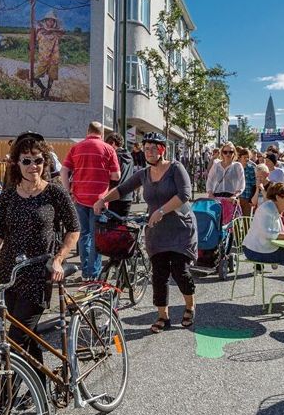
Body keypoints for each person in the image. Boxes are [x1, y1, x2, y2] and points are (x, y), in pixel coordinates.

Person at [0, 132, 79, 383]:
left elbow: (74, 229)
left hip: (39, 274)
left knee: (15, 338)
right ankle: (40, 387)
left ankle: (2, 405)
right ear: (17, 163)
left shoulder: (55, 193)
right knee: (27, 335)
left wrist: (59, 258)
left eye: (38, 160)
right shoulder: (8, 196)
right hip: (10, 274)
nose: (33, 166)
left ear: (45, 162)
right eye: (26, 161)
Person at [93, 132, 197, 333]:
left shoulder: (176, 168)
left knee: (180, 271)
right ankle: (163, 316)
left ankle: (190, 306)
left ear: (162, 150)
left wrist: (160, 211)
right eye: (146, 148)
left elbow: (184, 194)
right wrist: (103, 199)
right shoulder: (144, 174)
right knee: (159, 274)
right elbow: (123, 189)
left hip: (180, 229)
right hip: (156, 231)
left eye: (153, 148)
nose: (149, 152)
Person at [60, 121, 120, 279]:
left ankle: (86, 272)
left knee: (83, 235)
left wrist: (67, 191)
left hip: (79, 199)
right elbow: (116, 176)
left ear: (88, 131)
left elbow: (64, 170)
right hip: (100, 200)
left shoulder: (76, 148)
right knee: (97, 237)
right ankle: (94, 274)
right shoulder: (108, 149)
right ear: (102, 133)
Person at [241, 182, 284, 295]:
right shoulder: (266, 209)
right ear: (278, 197)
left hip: (270, 246)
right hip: (256, 249)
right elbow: (268, 234)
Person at [32, 11, 65, 99]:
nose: (50, 22)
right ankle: (43, 88)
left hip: (53, 58)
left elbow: (62, 31)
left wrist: (52, 29)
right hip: (43, 58)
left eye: (52, 21)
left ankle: (47, 93)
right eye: (48, 20)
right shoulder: (40, 32)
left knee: (51, 76)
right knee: (34, 76)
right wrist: (45, 29)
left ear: (54, 22)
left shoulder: (56, 33)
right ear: (45, 21)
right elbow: (36, 28)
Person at [105, 132, 134, 218]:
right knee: (122, 227)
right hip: (128, 196)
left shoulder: (115, 156)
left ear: (113, 143)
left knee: (112, 227)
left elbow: (114, 176)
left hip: (115, 195)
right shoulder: (130, 156)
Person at [237, 147, 256, 217]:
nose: (247, 159)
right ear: (240, 157)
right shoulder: (235, 168)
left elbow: (254, 184)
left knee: (246, 220)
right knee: (236, 219)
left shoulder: (251, 168)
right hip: (238, 198)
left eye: (248, 157)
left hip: (247, 197)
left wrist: (251, 198)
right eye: (244, 157)